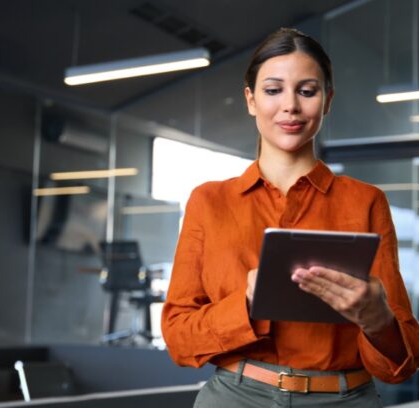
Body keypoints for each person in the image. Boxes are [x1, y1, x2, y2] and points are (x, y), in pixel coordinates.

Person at [161, 27, 419, 408]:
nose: (290, 106)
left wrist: (377, 318)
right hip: (235, 398)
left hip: (345, 399)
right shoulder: (208, 201)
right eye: (272, 90)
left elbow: (402, 364)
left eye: (307, 90)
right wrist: (246, 304)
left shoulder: (367, 202)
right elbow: (179, 339)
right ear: (250, 99)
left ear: (327, 100)